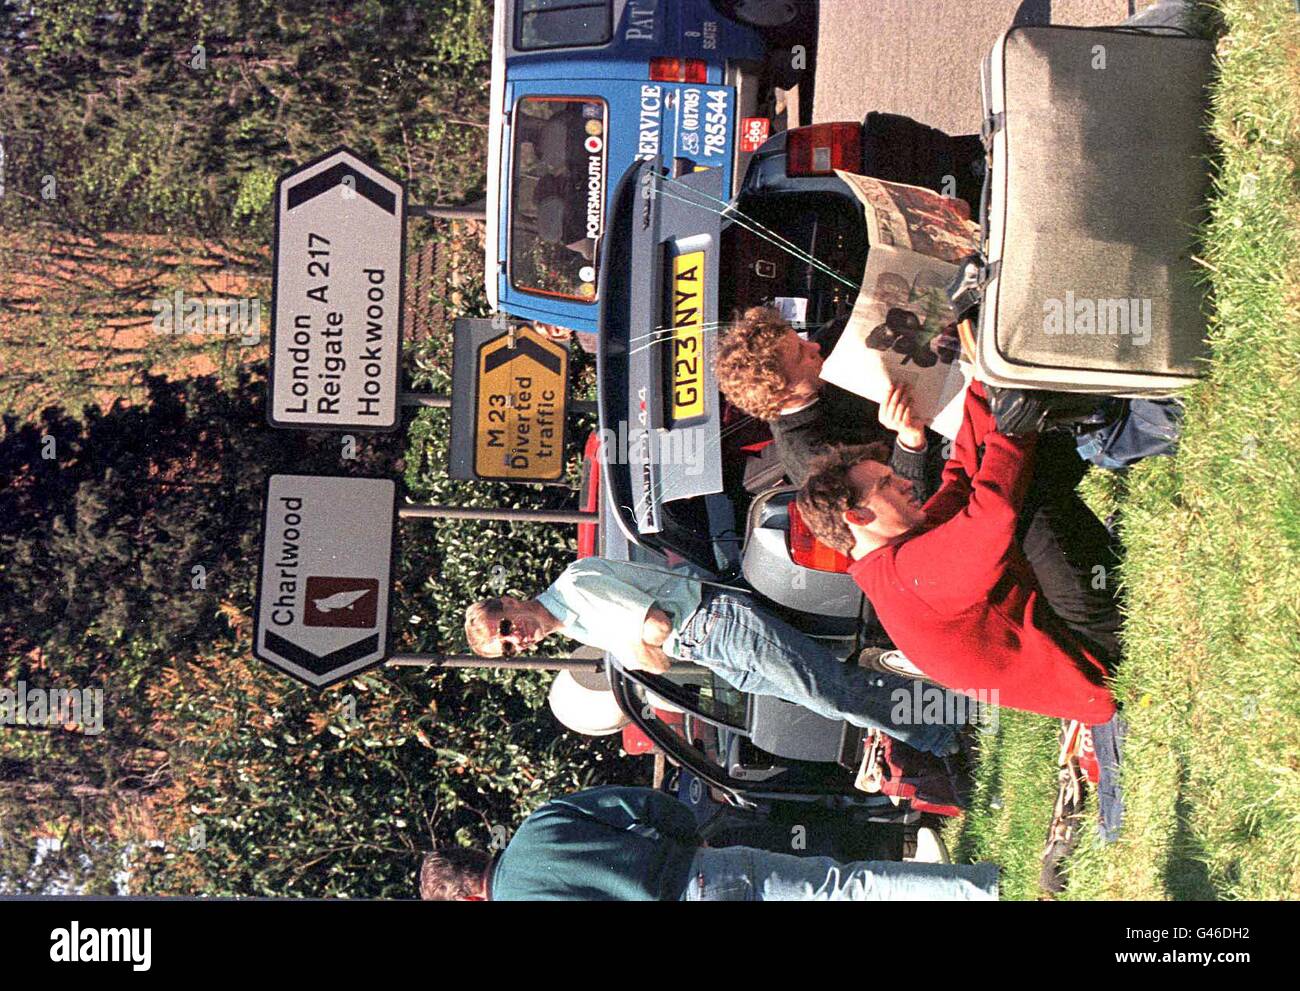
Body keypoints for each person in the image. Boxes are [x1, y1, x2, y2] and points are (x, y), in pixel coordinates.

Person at [795, 381, 1120, 726]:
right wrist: (1012, 429)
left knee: (1014, 466)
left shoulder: (893, 559)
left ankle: (1114, 414)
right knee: (1024, 490)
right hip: (1097, 660)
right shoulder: (906, 575)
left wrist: (984, 381)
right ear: (858, 517)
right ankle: (1125, 422)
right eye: (886, 484)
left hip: (1072, 646)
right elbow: (995, 511)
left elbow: (961, 478)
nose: (905, 483)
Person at [463, 558, 961, 757]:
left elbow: (656, 629)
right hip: (712, 648)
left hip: (716, 626)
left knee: (832, 692)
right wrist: (639, 648)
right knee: (832, 697)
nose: (517, 639)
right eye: (508, 648)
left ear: (509, 601)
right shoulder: (575, 623)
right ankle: (954, 711)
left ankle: (948, 730)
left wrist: (637, 647)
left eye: (506, 628)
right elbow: (654, 658)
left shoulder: (574, 590)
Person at [419, 785, 999, 901]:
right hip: (700, 868)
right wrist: (686, 839)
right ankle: (982, 890)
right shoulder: (544, 821)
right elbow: (647, 804)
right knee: (841, 887)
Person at [713, 305, 939, 488]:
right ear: (782, 392)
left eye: (801, 340)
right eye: (802, 354)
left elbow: (875, 312)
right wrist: (910, 443)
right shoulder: (810, 457)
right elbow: (900, 506)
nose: (815, 345)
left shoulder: (825, 351)